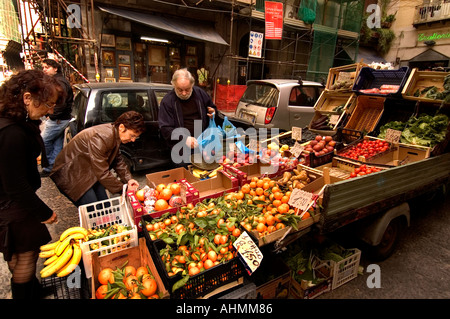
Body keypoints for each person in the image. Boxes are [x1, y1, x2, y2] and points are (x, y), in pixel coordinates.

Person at [0, 69, 63, 299]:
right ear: (27, 98)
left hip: (11, 203)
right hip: (12, 206)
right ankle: (26, 294)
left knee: (18, 256)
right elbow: (15, 184)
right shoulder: (11, 132)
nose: (50, 110)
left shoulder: (16, 122)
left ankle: (32, 290)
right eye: (47, 104)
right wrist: (44, 212)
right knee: (25, 256)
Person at [50, 111, 144, 207]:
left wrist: (129, 180)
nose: (132, 140)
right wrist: (124, 188)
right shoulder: (103, 137)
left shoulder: (114, 133)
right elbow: (102, 173)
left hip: (87, 171)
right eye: (132, 135)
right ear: (121, 127)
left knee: (105, 206)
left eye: (135, 137)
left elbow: (118, 160)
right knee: (94, 209)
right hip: (71, 174)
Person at [158, 68, 217, 165]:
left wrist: (213, 112)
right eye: (180, 90)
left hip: (202, 145)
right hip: (181, 149)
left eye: (187, 89)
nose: (184, 93)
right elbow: (165, 129)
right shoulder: (167, 101)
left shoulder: (200, 94)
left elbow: (212, 108)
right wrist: (185, 138)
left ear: (192, 85)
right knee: (186, 175)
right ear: (174, 85)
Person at [40, 59, 74, 177]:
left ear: (55, 69)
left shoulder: (59, 83)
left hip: (58, 118)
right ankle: (55, 166)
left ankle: (50, 166)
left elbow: (61, 103)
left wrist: (52, 116)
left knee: (44, 140)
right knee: (57, 142)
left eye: (47, 67)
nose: (44, 69)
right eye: (43, 67)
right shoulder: (57, 81)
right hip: (61, 117)